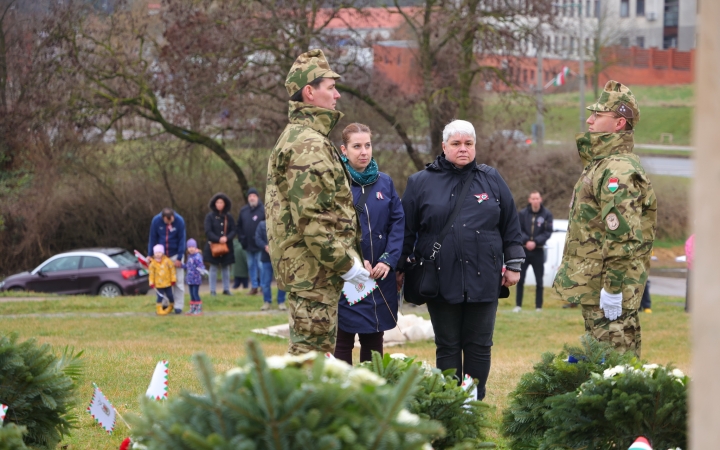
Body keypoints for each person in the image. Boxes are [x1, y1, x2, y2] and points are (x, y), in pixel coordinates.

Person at [397, 119, 525, 400]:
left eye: (468, 143)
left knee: (479, 345)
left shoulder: (492, 179)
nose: (463, 149)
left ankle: (473, 401)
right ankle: (451, 401)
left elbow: (511, 224)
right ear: (444, 147)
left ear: (475, 146)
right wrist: (400, 268)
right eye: (456, 144)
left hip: (485, 277)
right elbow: (405, 230)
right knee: (448, 345)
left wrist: (514, 263)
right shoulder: (420, 183)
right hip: (440, 278)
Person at [265, 49, 369, 355]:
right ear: (309, 92)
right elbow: (313, 221)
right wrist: (345, 263)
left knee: (312, 358)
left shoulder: (307, 138)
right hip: (313, 273)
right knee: (309, 362)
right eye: (330, 87)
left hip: (312, 272)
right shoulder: (307, 144)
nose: (337, 95)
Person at [553, 80, 657, 358]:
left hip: (607, 288)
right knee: (610, 363)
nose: (589, 120)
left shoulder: (617, 171)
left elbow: (623, 236)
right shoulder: (605, 164)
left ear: (619, 123)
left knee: (612, 365)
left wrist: (612, 290)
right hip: (598, 286)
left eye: (598, 115)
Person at [333, 123, 405, 365]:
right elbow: (329, 230)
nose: (363, 151)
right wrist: (353, 261)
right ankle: (342, 395)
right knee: (342, 339)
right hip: (347, 276)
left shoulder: (385, 183)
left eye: (367, 145)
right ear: (344, 150)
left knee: (374, 339)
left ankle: (370, 393)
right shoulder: (334, 183)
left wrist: (388, 259)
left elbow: (398, 223)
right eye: (356, 146)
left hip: (378, 277)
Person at [514, 191, 553, 313]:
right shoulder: (523, 214)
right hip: (524, 250)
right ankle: (518, 305)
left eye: (537, 198)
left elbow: (548, 231)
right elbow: (518, 229)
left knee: (539, 280)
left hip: (538, 251)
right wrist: (527, 241)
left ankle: (538, 306)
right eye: (533, 198)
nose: (535, 201)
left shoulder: (547, 214)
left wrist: (535, 241)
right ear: (529, 200)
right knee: (520, 278)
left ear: (540, 199)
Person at [148, 208, 186, 314]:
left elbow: (182, 239)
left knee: (178, 281)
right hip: (161, 256)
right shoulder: (156, 221)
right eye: (167, 221)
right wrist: (150, 254)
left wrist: (179, 257)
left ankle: (178, 305)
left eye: (171, 220)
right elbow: (152, 238)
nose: (169, 223)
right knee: (162, 281)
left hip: (175, 254)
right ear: (163, 218)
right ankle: (164, 303)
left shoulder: (179, 221)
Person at [203, 193, 237, 296]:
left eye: (221, 202)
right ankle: (212, 290)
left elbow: (234, 230)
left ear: (225, 204)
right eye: (217, 202)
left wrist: (227, 238)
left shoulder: (229, 217)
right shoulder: (209, 217)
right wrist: (218, 239)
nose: (219, 204)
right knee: (213, 268)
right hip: (213, 247)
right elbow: (208, 231)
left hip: (226, 247)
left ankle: (226, 289)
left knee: (225, 268)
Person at [237, 187, 265, 294]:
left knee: (261, 266)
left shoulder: (263, 210)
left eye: (254, 196)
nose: (252, 198)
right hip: (247, 245)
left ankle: (263, 286)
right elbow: (238, 226)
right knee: (251, 266)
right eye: (250, 196)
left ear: (257, 197)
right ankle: (254, 286)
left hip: (260, 245)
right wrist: (241, 239)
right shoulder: (244, 211)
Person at [255, 220, 286, 311]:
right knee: (265, 282)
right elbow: (257, 238)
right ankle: (267, 302)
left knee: (282, 281)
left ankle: (281, 302)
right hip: (266, 258)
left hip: (280, 257)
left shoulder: (282, 223)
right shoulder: (261, 225)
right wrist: (265, 246)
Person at [148, 244, 176, 316]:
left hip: (167, 283)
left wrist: (173, 279)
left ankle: (171, 306)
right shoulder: (152, 264)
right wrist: (151, 282)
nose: (157, 254)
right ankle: (159, 309)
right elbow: (151, 274)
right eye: (156, 253)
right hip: (158, 284)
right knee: (160, 296)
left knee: (170, 295)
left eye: (159, 252)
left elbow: (172, 270)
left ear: (162, 253)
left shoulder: (167, 261)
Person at [184, 238, 205, 315]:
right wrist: (182, 266)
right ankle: (192, 309)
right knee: (191, 294)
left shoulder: (197, 256)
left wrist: (202, 270)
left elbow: (200, 265)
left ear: (195, 247)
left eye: (193, 247)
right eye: (189, 247)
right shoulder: (189, 256)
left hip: (196, 279)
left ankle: (198, 309)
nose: (191, 249)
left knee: (195, 294)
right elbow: (188, 266)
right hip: (190, 279)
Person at [685, 233, 694, 312]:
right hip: (692, 268)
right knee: (690, 288)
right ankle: (688, 308)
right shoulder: (692, 239)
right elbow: (689, 252)